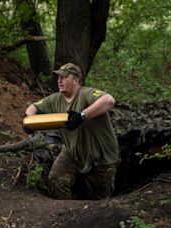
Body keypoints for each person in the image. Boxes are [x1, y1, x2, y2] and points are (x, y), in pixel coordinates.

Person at [24, 63, 119, 200]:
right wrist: (29, 121)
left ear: (76, 80)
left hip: (100, 156)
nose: (59, 80)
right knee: (56, 182)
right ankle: (67, 215)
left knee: (98, 201)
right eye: (58, 77)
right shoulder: (55, 99)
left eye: (64, 77)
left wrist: (81, 116)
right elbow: (33, 107)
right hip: (72, 151)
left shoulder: (86, 94)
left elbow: (109, 100)